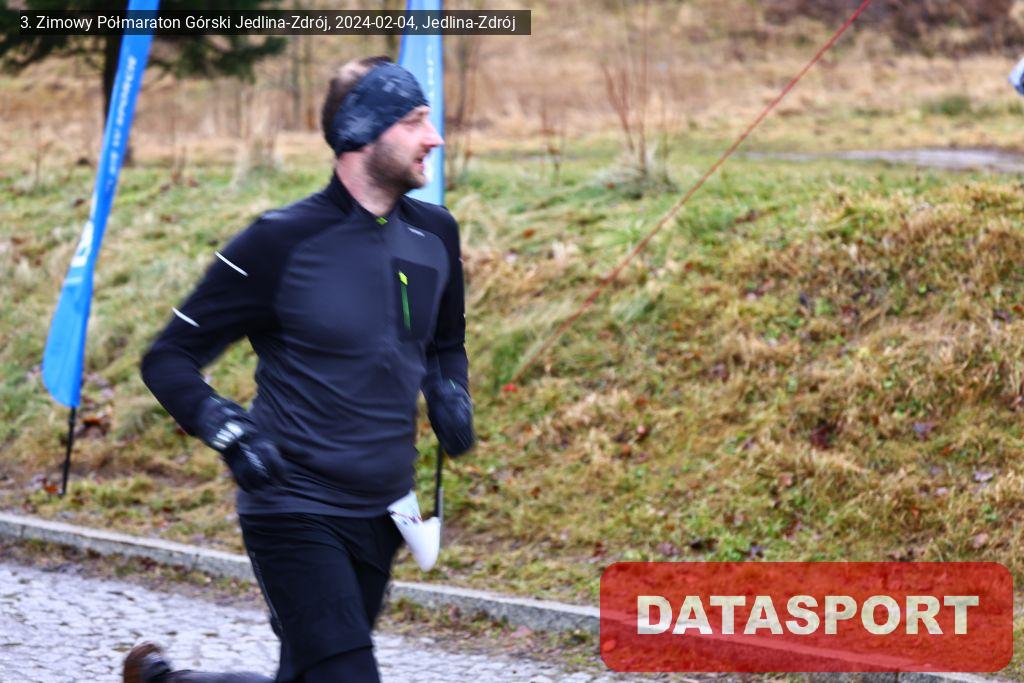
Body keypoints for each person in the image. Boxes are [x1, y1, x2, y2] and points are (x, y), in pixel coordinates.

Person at [123, 55, 475, 683]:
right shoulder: (279, 243)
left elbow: (444, 343)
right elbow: (168, 357)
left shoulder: (435, 235)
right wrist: (230, 432)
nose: (435, 137)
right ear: (362, 130)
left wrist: (450, 389)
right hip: (293, 505)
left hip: (384, 510)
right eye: (415, 121)